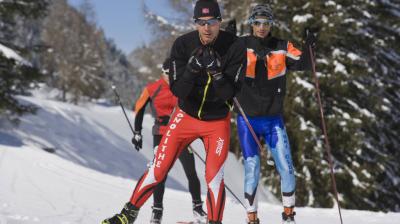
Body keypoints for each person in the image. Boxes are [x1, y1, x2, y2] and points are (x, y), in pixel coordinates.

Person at [101, 0, 246, 223]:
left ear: (220, 22)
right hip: (185, 116)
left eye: (213, 22)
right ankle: (127, 215)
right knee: (158, 167)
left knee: (214, 178)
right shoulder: (182, 45)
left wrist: (217, 72)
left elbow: (230, 94)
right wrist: (193, 68)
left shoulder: (235, 47)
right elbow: (178, 90)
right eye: (201, 22)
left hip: (216, 121)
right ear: (195, 23)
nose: (207, 28)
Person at [235, 3, 315, 224]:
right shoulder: (241, 44)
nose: (262, 27)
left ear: (271, 24)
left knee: (287, 168)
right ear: (251, 23)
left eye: (266, 23)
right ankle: (252, 218)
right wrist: (227, 37)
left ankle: (288, 215)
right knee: (252, 170)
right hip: (247, 120)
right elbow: (221, 62)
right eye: (258, 22)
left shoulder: (281, 46)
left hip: (273, 121)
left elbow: (303, 64)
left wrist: (309, 45)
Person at [131, 58, 207, 224]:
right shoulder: (153, 88)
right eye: (167, 74)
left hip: (181, 134)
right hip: (161, 133)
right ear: (162, 73)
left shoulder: (182, 87)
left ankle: (198, 208)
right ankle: (157, 210)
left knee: (191, 171)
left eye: (173, 73)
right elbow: (139, 109)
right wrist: (137, 133)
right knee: (160, 173)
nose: (170, 76)